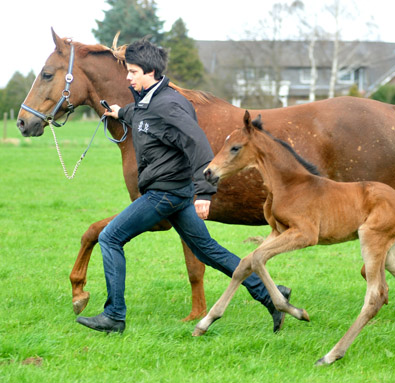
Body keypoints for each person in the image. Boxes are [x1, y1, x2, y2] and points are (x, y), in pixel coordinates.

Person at [76, 38, 291, 334]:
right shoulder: (150, 99)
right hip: (175, 194)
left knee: (111, 237)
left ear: (150, 72)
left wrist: (204, 193)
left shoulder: (170, 105)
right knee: (207, 250)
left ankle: (114, 315)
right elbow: (141, 115)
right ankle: (270, 293)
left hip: (165, 193)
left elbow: (199, 144)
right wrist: (118, 112)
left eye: (133, 72)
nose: (128, 77)